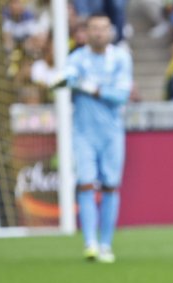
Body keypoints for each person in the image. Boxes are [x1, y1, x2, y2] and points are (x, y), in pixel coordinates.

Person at [54, 14, 133, 262]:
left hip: (111, 132)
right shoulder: (77, 58)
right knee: (86, 183)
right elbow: (63, 77)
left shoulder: (120, 58)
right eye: (94, 29)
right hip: (83, 132)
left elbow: (121, 96)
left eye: (103, 28)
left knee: (110, 185)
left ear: (110, 32)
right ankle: (90, 243)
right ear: (86, 33)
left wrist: (89, 87)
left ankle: (106, 244)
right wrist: (60, 80)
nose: (99, 33)